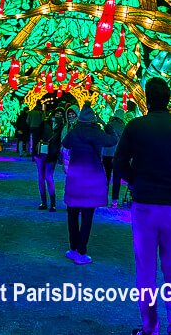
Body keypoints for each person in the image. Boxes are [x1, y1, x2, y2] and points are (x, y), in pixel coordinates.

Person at [113, 78, 171, 335]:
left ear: (147, 98)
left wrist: (135, 180)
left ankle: (149, 327)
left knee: (146, 269)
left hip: (144, 206)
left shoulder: (135, 127)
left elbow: (119, 162)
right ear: (169, 99)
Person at [61, 103, 117, 265]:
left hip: (75, 177)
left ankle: (73, 248)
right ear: (93, 119)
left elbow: (64, 143)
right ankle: (82, 252)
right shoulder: (97, 132)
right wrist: (104, 123)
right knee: (87, 216)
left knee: (72, 214)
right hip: (92, 178)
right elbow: (113, 139)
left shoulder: (74, 132)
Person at [32, 112, 62, 211]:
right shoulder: (45, 124)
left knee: (48, 178)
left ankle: (53, 204)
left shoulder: (63, 128)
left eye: (61, 113)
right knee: (41, 178)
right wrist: (35, 151)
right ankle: (43, 202)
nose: (59, 115)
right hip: (41, 153)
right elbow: (36, 136)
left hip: (52, 155)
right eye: (57, 113)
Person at [100, 109, 127, 208]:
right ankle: (114, 201)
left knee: (106, 176)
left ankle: (103, 198)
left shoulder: (109, 124)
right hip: (117, 155)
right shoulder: (123, 127)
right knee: (116, 178)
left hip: (106, 154)